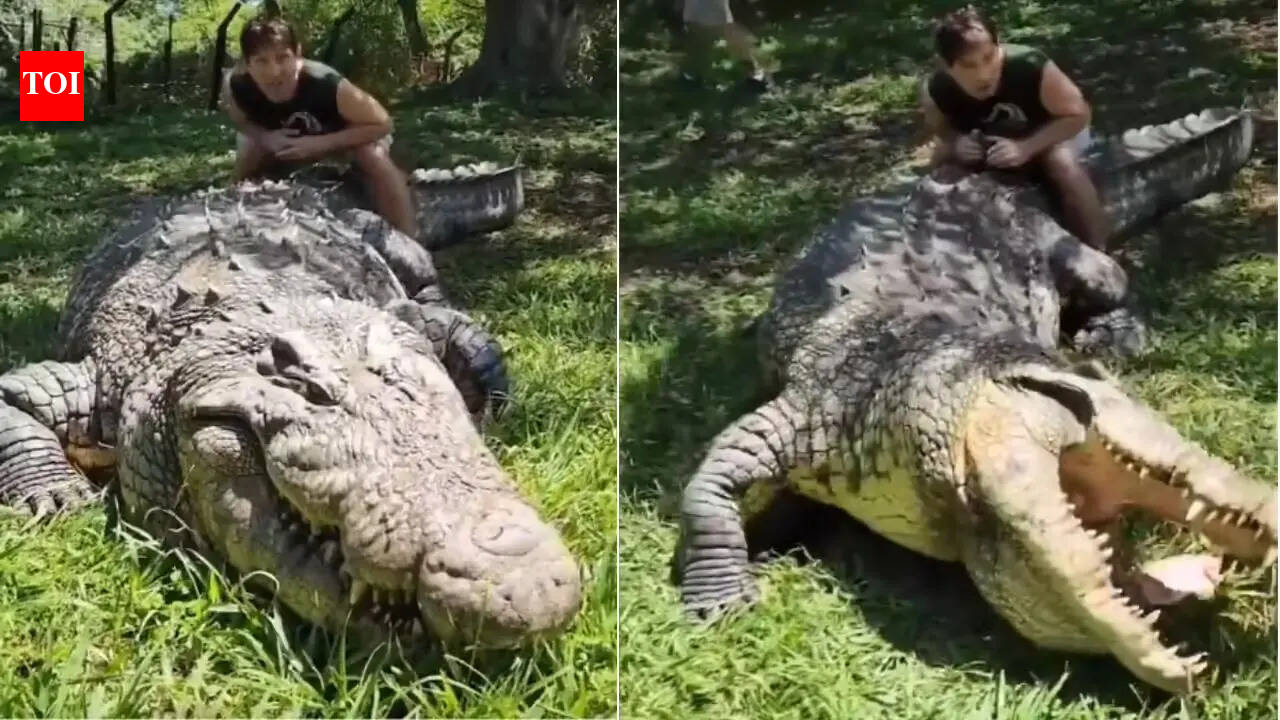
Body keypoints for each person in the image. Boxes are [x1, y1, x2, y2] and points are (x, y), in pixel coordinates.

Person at [920, 6, 1110, 250]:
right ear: (946, 66)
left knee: (1060, 162)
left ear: (998, 46)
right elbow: (942, 130)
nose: (983, 74)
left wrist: (1027, 147)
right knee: (941, 157)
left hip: (1054, 129)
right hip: (994, 139)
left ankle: (1099, 250)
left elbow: (1078, 114)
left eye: (989, 57)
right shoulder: (936, 89)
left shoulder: (1029, 65)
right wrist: (958, 143)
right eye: (968, 65)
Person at [221, 15, 417, 237]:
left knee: (372, 154)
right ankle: (227, 214)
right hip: (285, 139)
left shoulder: (325, 83)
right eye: (261, 61)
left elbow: (383, 123)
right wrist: (267, 138)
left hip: (345, 133)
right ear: (247, 64)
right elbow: (242, 122)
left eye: (282, 57)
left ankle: (409, 237)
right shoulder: (237, 85)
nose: (274, 71)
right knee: (249, 148)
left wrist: (320, 144)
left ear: (297, 53)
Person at [679, 0, 770, 92]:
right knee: (737, 43)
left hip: (702, 19)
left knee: (703, 43)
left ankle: (692, 75)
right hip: (712, 19)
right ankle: (754, 75)